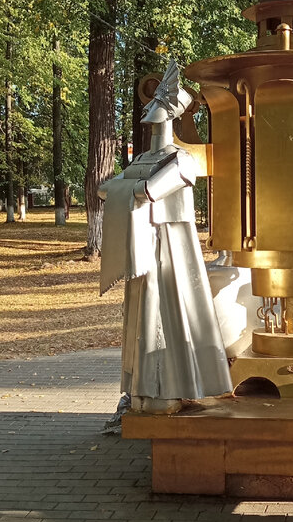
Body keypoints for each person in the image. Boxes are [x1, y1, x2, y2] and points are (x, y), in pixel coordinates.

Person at [99, 60, 232, 416]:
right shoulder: (143, 157)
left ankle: (173, 388)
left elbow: (147, 190)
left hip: (171, 245)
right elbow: (105, 189)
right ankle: (140, 391)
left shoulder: (182, 159)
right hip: (143, 243)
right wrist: (126, 188)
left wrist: (124, 188)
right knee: (144, 314)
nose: (152, 116)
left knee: (171, 310)